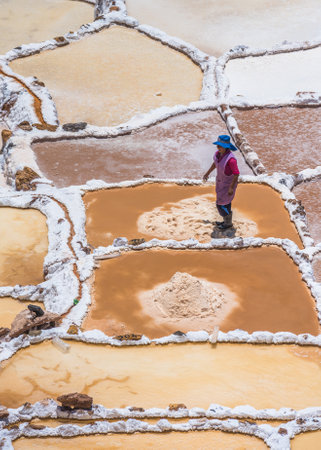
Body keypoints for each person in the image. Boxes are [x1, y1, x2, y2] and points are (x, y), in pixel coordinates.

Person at [203, 135, 239, 229]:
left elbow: (236, 174)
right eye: (217, 145)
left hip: (228, 184)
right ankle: (226, 221)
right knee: (226, 203)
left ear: (226, 147)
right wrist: (207, 173)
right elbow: (215, 164)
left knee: (220, 204)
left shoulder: (231, 160)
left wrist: (231, 187)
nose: (218, 147)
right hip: (220, 183)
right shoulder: (217, 154)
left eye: (220, 146)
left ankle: (228, 223)